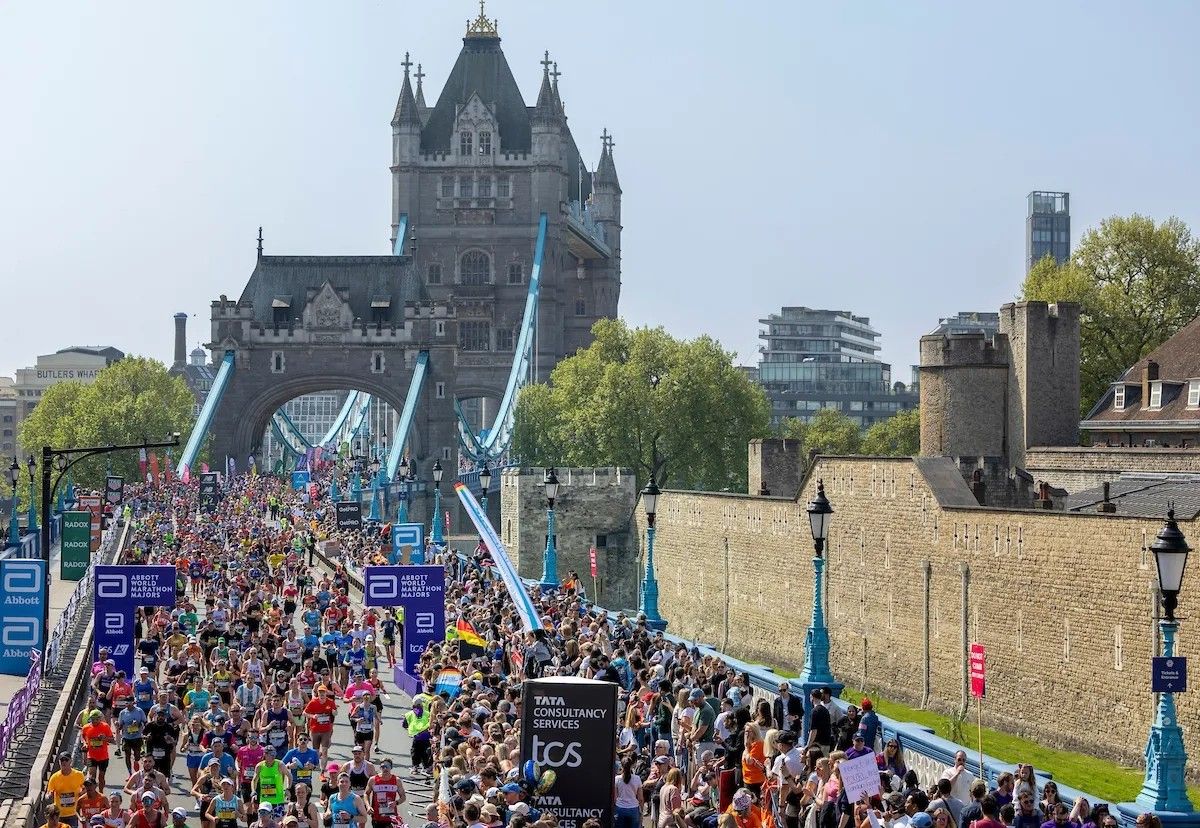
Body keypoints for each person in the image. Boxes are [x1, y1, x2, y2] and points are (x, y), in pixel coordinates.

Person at [363, 758, 406, 828]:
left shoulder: (396, 780)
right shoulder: (373, 779)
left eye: (387, 766)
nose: (385, 768)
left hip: (391, 816)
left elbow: (403, 797)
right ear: (380, 768)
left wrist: (396, 802)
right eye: (383, 767)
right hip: (377, 816)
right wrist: (368, 806)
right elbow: (366, 794)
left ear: (391, 767)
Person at [47, 752, 86, 828]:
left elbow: (85, 789)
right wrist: (48, 795)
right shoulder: (54, 777)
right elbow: (49, 792)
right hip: (59, 814)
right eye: (62, 760)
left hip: (73, 813)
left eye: (66, 760)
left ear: (70, 761)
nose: (64, 762)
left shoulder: (79, 775)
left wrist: (81, 793)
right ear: (59, 762)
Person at [614, 755, 644, 828]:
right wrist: (641, 811)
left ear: (621, 766)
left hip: (620, 808)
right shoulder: (637, 778)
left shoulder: (617, 779)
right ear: (632, 765)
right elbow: (640, 798)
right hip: (634, 809)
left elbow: (615, 797)